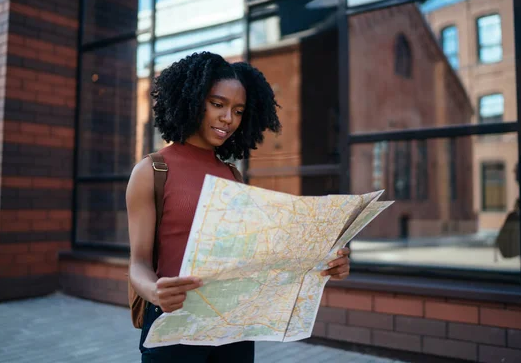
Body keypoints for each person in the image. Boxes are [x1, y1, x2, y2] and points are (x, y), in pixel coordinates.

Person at [126, 52, 352, 363]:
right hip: (173, 325)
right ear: (191, 100)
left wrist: (323, 263)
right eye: (217, 104)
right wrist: (154, 291)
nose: (228, 118)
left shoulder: (232, 175)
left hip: (232, 328)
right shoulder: (152, 171)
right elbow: (137, 263)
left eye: (238, 110)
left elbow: (254, 257)